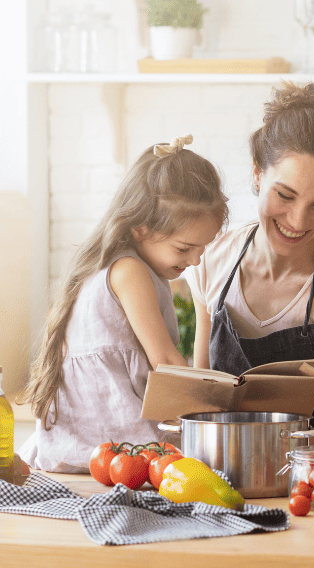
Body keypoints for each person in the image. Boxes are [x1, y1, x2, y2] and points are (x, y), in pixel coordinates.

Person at [186, 82, 314, 448]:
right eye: (285, 195)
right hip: (217, 480)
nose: (297, 220)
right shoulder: (209, 261)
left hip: (310, 488)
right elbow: (202, 404)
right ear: (258, 173)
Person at [19, 135, 228, 472]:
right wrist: (210, 412)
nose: (195, 259)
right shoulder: (130, 271)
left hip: (89, 440)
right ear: (140, 230)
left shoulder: (125, 264)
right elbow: (164, 360)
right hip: (111, 439)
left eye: (202, 249)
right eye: (184, 248)